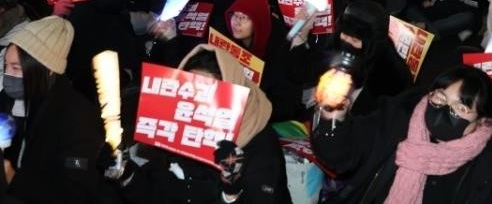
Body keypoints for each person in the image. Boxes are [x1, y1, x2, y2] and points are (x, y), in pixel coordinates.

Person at [311, 65, 492, 204]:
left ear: (482, 121)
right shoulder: (397, 118)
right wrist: (334, 115)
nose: (446, 110)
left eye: (461, 109)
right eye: (440, 99)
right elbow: (338, 155)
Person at [104, 44, 292, 204]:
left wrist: (231, 193)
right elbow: (158, 191)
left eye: (208, 93)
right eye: (190, 91)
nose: (197, 102)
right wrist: (126, 174)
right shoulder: (179, 126)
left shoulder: (258, 142)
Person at [0, 16, 104, 203]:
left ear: (47, 69)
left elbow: (75, 190)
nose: (8, 76)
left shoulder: (78, 118)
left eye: (16, 68)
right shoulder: (11, 98)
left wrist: (15, 178)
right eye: (6, 66)